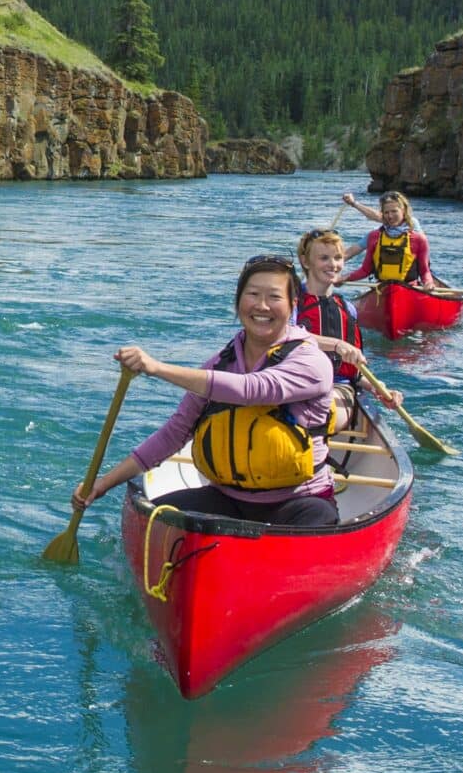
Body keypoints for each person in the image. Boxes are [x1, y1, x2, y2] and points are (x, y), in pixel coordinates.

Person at [71, 255, 339, 527]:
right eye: (253, 294)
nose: (262, 306)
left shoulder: (311, 361)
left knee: (318, 519)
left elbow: (252, 389)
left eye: (274, 297)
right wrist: (102, 484)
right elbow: (174, 434)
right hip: (228, 500)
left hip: (299, 502)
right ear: (238, 303)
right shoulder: (220, 364)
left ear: (293, 305)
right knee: (157, 516)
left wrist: (157, 368)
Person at [295, 227, 402, 428]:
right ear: (305, 261)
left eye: (337, 258)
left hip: (337, 387)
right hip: (294, 382)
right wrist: (336, 345)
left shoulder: (348, 309)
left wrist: (377, 388)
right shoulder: (291, 302)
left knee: (318, 412)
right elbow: (284, 336)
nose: (333, 265)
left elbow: (355, 371)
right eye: (324, 258)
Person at [342, 190, 433, 288]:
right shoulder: (374, 236)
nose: (390, 216)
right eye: (386, 213)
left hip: (409, 286)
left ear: (404, 211)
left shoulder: (416, 232)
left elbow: (424, 270)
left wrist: (428, 282)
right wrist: (337, 273)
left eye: (394, 211)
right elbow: (357, 260)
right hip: (383, 287)